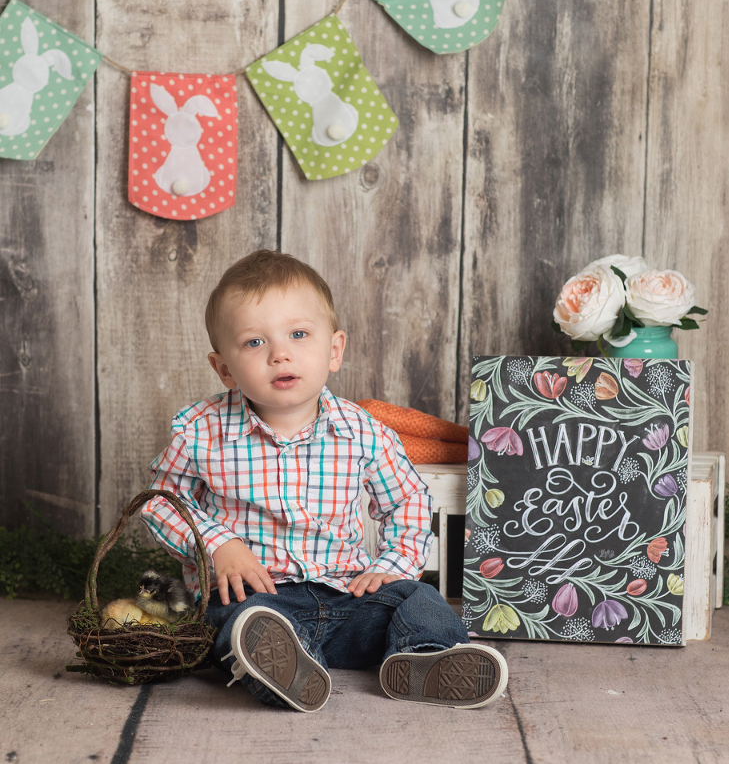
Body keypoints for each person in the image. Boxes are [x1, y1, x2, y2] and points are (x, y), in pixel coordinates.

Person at [140, 249, 507, 712]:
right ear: (225, 369)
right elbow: (159, 501)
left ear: (334, 351)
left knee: (419, 597)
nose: (280, 353)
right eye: (254, 342)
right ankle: (286, 668)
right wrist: (218, 545)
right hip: (258, 598)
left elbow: (408, 500)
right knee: (238, 623)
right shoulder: (200, 431)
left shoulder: (363, 431)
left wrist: (392, 566)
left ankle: (424, 658)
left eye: (298, 334)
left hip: (349, 597)